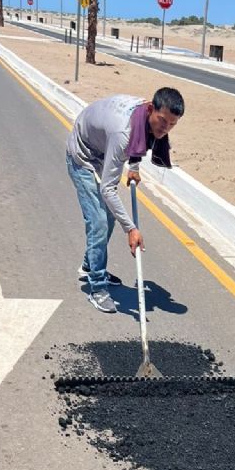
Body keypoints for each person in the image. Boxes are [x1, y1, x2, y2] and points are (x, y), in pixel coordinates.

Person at [66, 87, 185, 313]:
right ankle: (97, 287)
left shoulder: (144, 117)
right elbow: (108, 189)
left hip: (102, 145)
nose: (165, 128)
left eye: (172, 124)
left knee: (108, 218)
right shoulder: (122, 133)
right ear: (150, 108)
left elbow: (141, 138)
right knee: (100, 221)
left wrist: (134, 165)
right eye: (162, 121)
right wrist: (130, 229)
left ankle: (90, 265)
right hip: (83, 155)